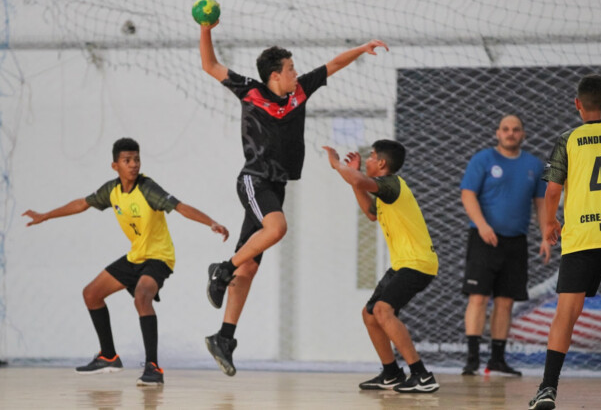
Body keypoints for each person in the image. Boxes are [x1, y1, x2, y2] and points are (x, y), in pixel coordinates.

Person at [198, 20, 389, 376]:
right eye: (290, 69)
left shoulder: (299, 92)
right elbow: (209, 65)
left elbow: (333, 64)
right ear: (274, 76)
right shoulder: (251, 91)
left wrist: (361, 49)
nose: (296, 72)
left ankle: (224, 337)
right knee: (277, 227)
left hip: (278, 184)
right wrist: (206, 29)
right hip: (254, 181)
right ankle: (221, 270)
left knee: (250, 265)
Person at [22, 137, 229, 386]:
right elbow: (81, 204)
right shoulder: (111, 191)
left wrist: (211, 222)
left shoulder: (148, 189)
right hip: (135, 256)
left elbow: (181, 207)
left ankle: (153, 367)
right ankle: (108, 356)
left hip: (159, 257)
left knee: (142, 297)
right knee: (91, 294)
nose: (133, 165)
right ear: (115, 166)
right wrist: (45, 216)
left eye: (136, 159)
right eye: (127, 160)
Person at [529, 26, 601, 410]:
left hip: (582, 237)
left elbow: (551, 192)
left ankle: (548, 388)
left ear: (577, 104)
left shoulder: (568, 140)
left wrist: (549, 226)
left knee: (566, 314)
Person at [323, 140, 439, 393]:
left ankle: (422, 375)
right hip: (403, 264)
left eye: (372, 156)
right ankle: (391, 373)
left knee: (384, 310)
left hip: (418, 263)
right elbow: (370, 212)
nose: (369, 160)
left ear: (382, 163)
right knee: (370, 314)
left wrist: (337, 164)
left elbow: (358, 180)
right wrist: (356, 178)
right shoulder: (385, 190)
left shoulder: (392, 184)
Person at [460, 114, 550, 376]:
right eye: (506, 129)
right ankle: (473, 359)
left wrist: (546, 235)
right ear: (497, 133)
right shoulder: (483, 160)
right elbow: (467, 195)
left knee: (506, 301)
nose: (510, 133)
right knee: (478, 298)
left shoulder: (533, 165)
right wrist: (483, 225)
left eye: (516, 129)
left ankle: (497, 360)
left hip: (516, 243)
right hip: (484, 239)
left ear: (523, 134)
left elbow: (541, 204)